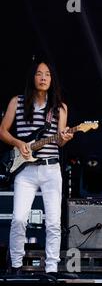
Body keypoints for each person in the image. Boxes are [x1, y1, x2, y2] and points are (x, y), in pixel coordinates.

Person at [0, 59, 73, 275]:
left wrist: (66, 137)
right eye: (39, 74)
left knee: (53, 222)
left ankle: (51, 269)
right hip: (26, 171)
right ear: (32, 77)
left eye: (48, 74)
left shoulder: (59, 108)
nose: (43, 78)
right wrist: (19, 143)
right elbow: (2, 131)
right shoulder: (18, 102)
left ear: (52, 79)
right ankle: (16, 266)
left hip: (51, 170)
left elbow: (59, 141)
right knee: (19, 219)